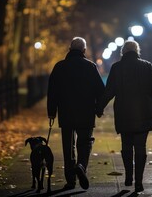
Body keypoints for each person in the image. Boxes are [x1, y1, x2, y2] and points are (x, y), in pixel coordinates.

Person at [96, 40, 152, 193]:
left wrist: (99, 108)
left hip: (124, 113)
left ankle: (128, 176)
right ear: (137, 51)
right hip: (144, 113)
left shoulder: (117, 68)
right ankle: (139, 182)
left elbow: (109, 91)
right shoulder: (147, 66)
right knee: (141, 147)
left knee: (126, 146)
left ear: (123, 52)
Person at [47, 37, 105, 190]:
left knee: (68, 145)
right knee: (85, 142)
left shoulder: (60, 67)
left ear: (69, 49)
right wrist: (99, 109)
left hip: (66, 112)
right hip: (86, 112)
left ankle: (70, 180)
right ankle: (81, 166)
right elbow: (101, 90)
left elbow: (52, 91)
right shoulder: (91, 67)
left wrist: (52, 112)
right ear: (84, 51)